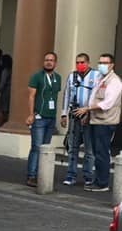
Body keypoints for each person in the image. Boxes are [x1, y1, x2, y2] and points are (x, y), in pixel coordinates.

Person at [73, 53, 122, 192]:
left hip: (106, 122)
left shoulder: (115, 81)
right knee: (96, 151)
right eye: (100, 62)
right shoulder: (101, 78)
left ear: (111, 65)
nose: (101, 65)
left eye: (105, 63)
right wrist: (88, 114)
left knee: (102, 152)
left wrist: (87, 109)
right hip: (95, 120)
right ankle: (98, 179)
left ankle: (103, 183)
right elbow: (93, 97)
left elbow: (107, 103)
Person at [59, 53, 100, 187]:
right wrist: (64, 114)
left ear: (88, 63)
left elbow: (98, 97)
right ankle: (71, 175)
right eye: (77, 62)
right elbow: (66, 95)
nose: (79, 65)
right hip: (74, 115)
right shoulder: (72, 76)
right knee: (72, 147)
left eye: (82, 62)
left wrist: (89, 112)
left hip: (89, 116)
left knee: (89, 149)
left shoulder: (96, 75)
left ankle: (88, 176)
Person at [25, 51, 62, 187]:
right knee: (36, 147)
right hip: (39, 117)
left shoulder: (58, 78)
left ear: (55, 63)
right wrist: (31, 114)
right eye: (46, 59)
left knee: (45, 147)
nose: (48, 62)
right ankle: (31, 175)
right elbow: (31, 96)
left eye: (51, 60)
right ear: (43, 62)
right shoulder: (36, 77)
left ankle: (42, 173)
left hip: (51, 117)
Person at [0, 54, 12, 130]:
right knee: (7, 110)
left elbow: (2, 83)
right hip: (11, 91)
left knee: (1, 109)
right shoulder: (12, 69)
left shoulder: (5, 70)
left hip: (5, 92)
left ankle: (1, 126)